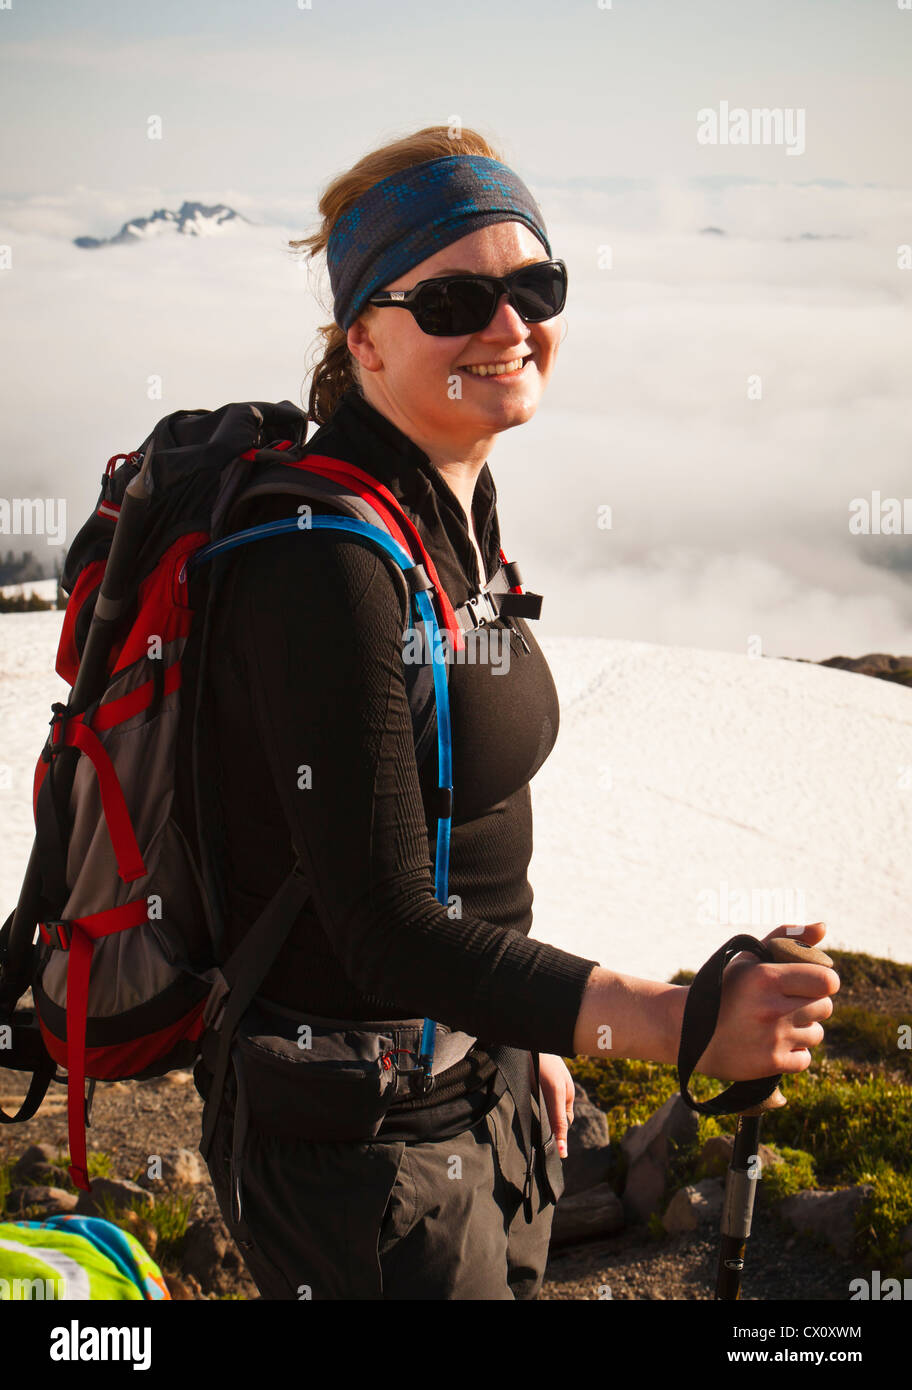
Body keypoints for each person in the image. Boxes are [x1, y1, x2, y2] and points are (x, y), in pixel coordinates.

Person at [189, 125, 839, 1300]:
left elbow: (465, 816)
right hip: (359, 1141)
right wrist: (678, 1023)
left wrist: (524, 1035)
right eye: (456, 299)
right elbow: (381, 925)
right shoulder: (320, 565)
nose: (507, 325)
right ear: (366, 341)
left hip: (481, 1087)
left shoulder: (449, 508)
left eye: (535, 286)